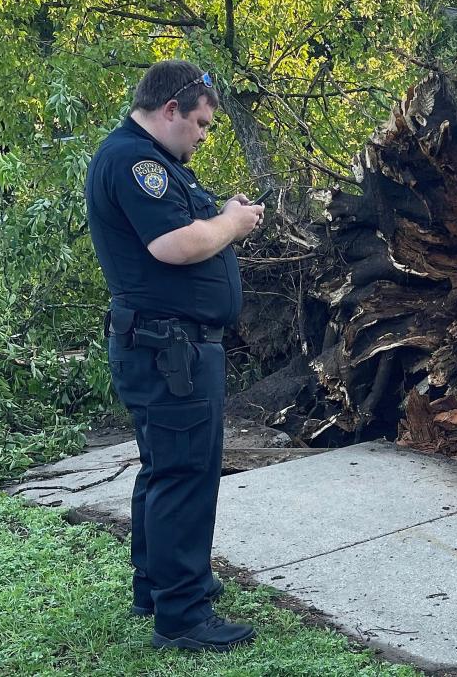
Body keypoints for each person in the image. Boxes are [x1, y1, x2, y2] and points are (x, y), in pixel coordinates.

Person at [84, 60, 264, 652]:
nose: (203, 135)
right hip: (169, 350)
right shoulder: (135, 162)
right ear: (170, 111)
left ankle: (155, 590)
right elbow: (175, 245)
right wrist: (231, 225)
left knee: (165, 470)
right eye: (202, 124)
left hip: (168, 346)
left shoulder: (151, 161)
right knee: (185, 474)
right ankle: (183, 616)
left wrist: (221, 216)